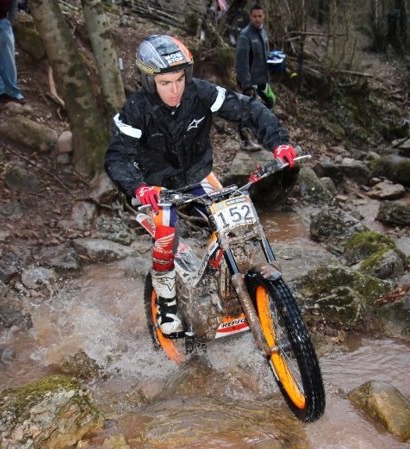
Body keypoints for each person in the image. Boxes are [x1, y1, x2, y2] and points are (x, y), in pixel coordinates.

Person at [105, 34, 296, 338]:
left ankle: (228, 286)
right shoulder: (136, 110)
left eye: (179, 79)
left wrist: (279, 142)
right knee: (167, 230)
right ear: (148, 81)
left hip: (197, 176)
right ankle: (166, 304)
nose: (174, 89)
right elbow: (116, 157)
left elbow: (247, 109)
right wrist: (138, 188)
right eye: (165, 83)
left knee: (232, 223)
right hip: (156, 188)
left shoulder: (201, 93)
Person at [234, 3, 274, 150]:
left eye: (260, 16)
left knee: (268, 104)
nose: (257, 19)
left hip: (262, 79)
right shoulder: (245, 36)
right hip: (249, 81)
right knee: (246, 110)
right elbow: (241, 63)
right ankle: (245, 141)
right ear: (250, 17)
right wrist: (246, 84)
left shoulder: (263, 32)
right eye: (255, 16)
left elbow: (264, 55)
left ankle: (260, 135)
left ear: (263, 16)